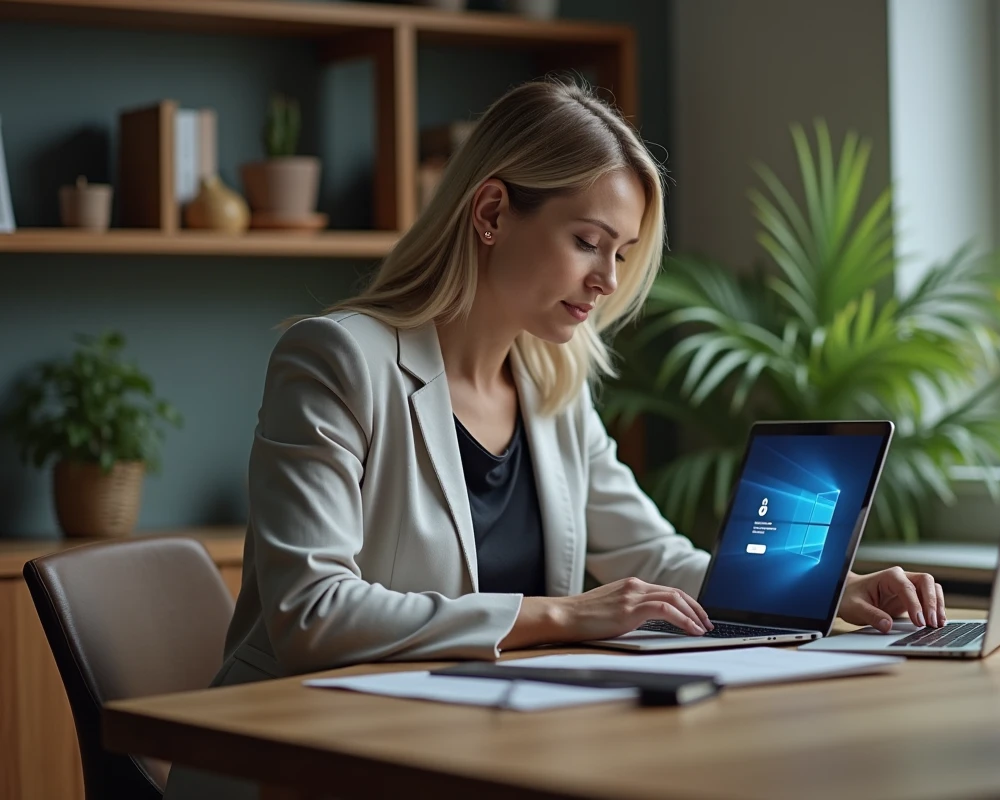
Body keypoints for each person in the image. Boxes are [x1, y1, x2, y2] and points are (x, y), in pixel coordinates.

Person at [164, 78, 945, 799]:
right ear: (493, 213)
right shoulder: (336, 360)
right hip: (301, 763)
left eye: (623, 253)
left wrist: (824, 593)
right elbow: (313, 615)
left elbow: (657, 564)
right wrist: (559, 616)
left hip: (476, 750)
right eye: (588, 241)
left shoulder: (552, 388)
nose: (608, 279)